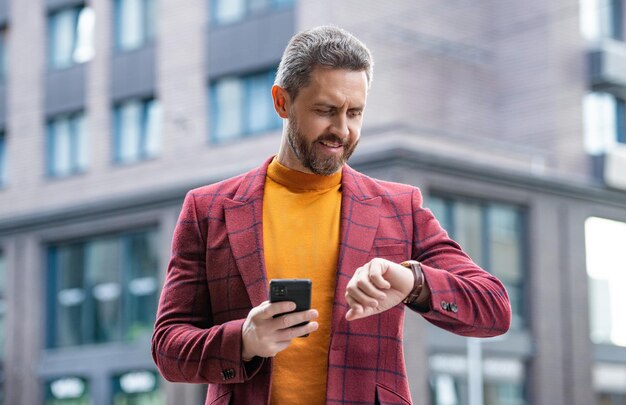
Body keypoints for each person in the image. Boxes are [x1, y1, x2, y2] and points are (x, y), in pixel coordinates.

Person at [151, 25, 511, 405]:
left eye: (355, 113)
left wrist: (411, 282)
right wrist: (244, 340)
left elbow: (494, 308)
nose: (342, 130)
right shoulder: (209, 209)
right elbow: (167, 349)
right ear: (282, 102)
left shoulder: (399, 207)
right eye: (326, 111)